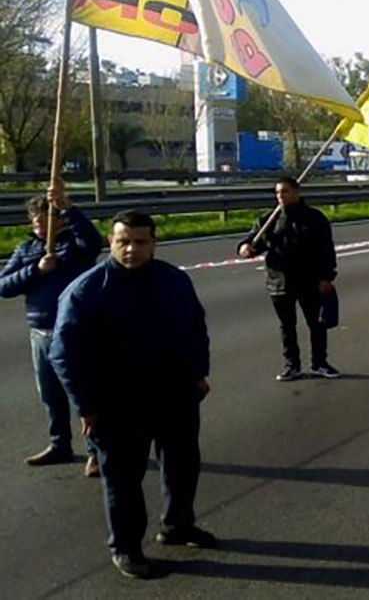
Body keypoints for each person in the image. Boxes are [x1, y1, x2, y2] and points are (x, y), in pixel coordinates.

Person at [49, 211, 215, 579]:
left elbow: (195, 327)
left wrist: (198, 374)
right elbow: (63, 353)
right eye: (123, 241)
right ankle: (125, 547)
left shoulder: (173, 280)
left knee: (183, 465)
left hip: (174, 393)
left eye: (140, 242)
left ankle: (177, 525)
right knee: (123, 479)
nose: (131, 249)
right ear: (111, 241)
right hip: (117, 403)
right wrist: (86, 406)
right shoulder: (88, 290)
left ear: (153, 243)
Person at [0, 184, 103, 475]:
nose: (36, 221)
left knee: (82, 394)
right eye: (33, 217)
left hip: (73, 333)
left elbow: (94, 242)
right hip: (40, 332)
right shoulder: (27, 249)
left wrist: (68, 206)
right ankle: (60, 444)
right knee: (51, 395)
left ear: (58, 219)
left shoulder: (75, 246)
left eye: (43, 216)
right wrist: (36, 270)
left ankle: (96, 451)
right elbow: (4, 286)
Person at [237, 176, 339, 381]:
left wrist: (327, 277)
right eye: (277, 192)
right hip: (279, 282)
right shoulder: (267, 221)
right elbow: (252, 243)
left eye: (285, 191)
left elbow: (326, 250)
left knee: (316, 324)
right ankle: (291, 365)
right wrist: (245, 248)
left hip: (309, 281)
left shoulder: (314, 219)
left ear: (297, 192)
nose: (280, 196)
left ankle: (319, 363)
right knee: (287, 326)